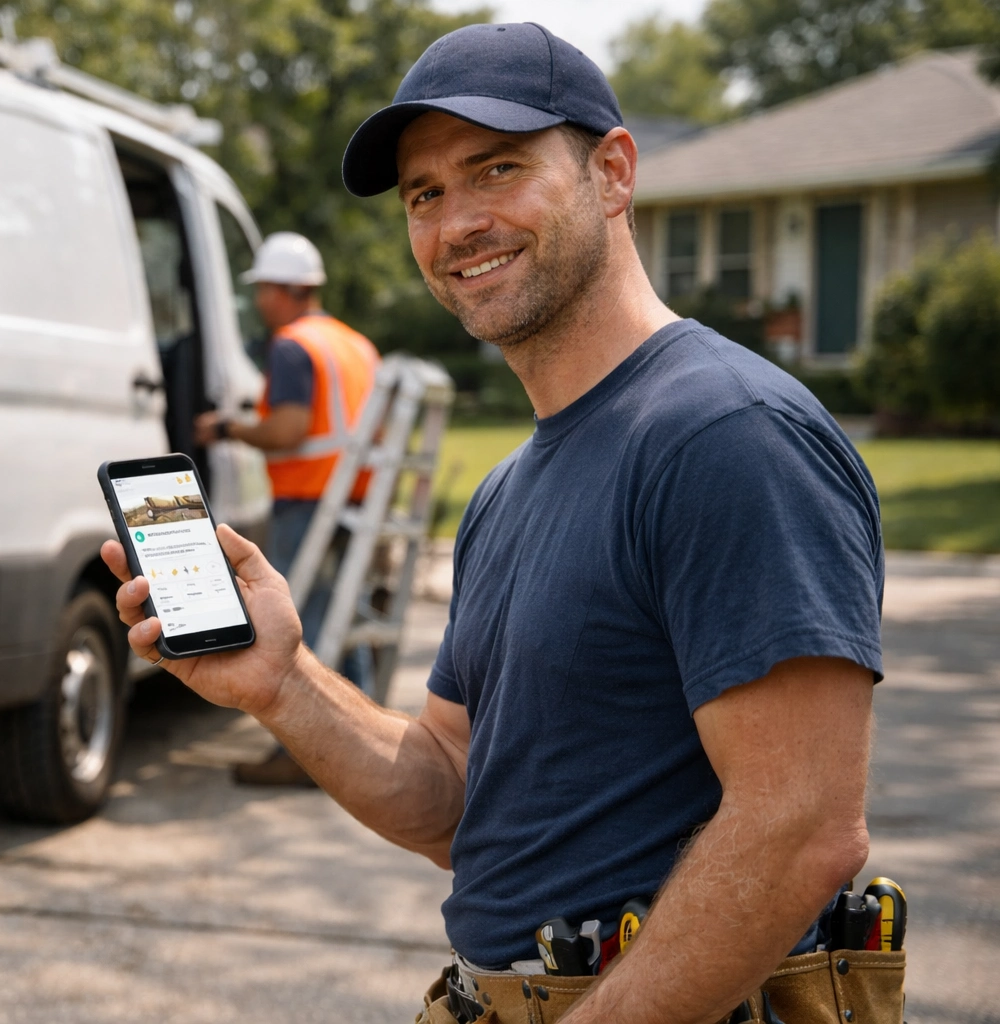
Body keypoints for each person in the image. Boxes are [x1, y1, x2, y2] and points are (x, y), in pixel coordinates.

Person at [106, 21, 885, 1024]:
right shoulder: (510, 489)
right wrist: (284, 683)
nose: (455, 221)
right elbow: (456, 794)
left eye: (498, 168)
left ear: (612, 173)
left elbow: (803, 827)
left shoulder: (726, 436)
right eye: (424, 194)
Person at [194, 232, 380, 787]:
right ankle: (365, 746)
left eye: (262, 290)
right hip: (355, 500)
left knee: (304, 629)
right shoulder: (352, 343)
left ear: (283, 290)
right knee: (346, 619)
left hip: (309, 500)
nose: (258, 302)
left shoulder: (292, 345)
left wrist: (227, 429)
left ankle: (305, 754)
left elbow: (290, 429)